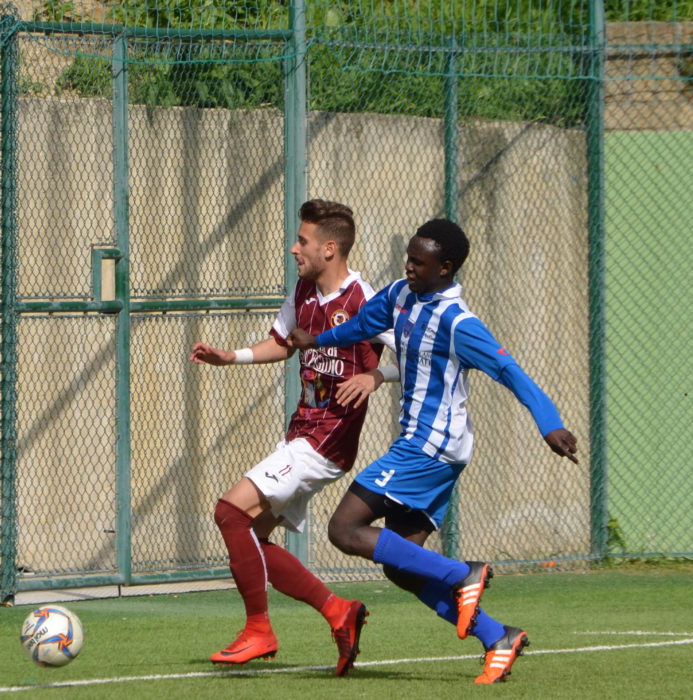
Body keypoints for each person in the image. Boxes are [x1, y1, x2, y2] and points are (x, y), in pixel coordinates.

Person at [286, 218, 579, 684]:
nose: (409, 266)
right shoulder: (402, 294)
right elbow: (364, 323)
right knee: (402, 566)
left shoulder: (458, 322)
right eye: (408, 256)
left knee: (344, 528)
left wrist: (551, 424)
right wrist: (317, 339)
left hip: (429, 447)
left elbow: (511, 372)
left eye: (420, 262)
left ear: (445, 268)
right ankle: (497, 637)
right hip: (429, 447)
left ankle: (463, 573)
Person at [189, 199, 397, 676]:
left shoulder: (364, 297)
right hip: (301, 434)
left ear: (329, 248)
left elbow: (412, 353)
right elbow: (282, 342)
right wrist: (232, 357)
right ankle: (338, 611)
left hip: (327, 441)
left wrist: (376, 376)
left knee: (228, 511)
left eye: (301, 241)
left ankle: (259, 631)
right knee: (253, 538)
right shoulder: (304, 290)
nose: (292, 248)